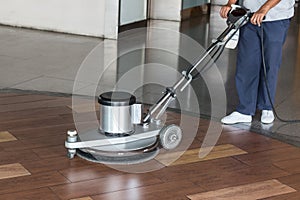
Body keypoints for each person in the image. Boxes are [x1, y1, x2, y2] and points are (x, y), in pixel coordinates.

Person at [220, 0, 295, 124]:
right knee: (247, 63)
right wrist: (230, 4)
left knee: (270, 64)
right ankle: (245, 110)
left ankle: (267, 107)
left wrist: (264, 9)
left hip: (276, 17)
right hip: (249, 16)